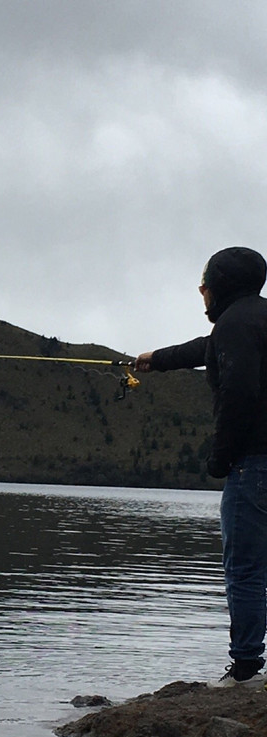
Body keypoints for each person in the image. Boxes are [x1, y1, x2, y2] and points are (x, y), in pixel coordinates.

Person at [136, 246, 267, 687]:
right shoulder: (252, 321)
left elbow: (240, 392)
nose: (202, 292)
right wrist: (157, 358)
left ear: (220, 285)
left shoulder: (234, 325)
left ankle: (246, 670)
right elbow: (206, 348)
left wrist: (220, 457)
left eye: (205, 284)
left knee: (245, 569)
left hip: (254, 465)